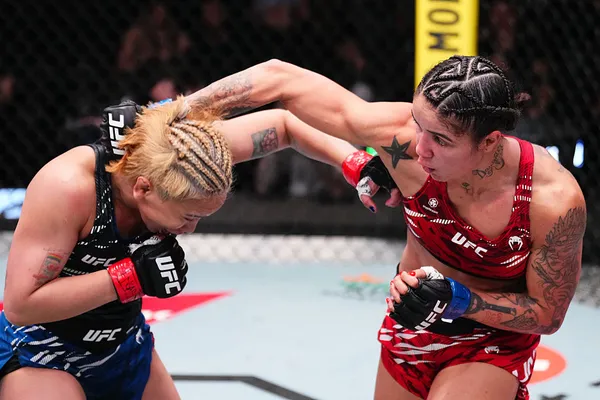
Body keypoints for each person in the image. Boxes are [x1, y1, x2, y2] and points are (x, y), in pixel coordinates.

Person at [188, 55, 587, 400]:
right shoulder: (403, 140)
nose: (420, 147)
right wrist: (172, 113)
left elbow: (547, 314)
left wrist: (461, 300)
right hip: (409, 325)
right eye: (418, 124)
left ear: (489, 142)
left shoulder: (550, 201)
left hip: (490, 340)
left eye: (441, 140)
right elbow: (281, 78)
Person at [0, 94, 393, 399]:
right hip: (41, 347)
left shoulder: (192, 156)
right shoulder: (69, 188)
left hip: (122, 342)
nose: (190, 230)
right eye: (187, 216)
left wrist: (354, 161)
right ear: (143, 188)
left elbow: (284, 125)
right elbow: (20, 305)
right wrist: (128, 276)